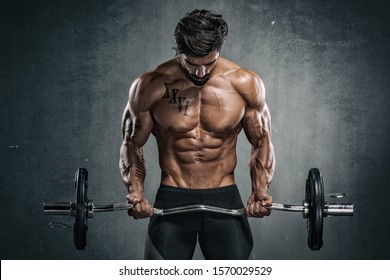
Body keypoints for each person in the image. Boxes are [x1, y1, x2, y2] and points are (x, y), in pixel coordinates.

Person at [119, 9, 275, 260]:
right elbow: (132, 143)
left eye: (209, 64)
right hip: (172, 199)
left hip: (224, 199)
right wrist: (135, 190)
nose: (200, 73)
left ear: (219, 50)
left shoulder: (245, 83)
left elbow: (261, 140)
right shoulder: (150, 85)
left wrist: (260, 189)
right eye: (192, 64)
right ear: (179, 51)